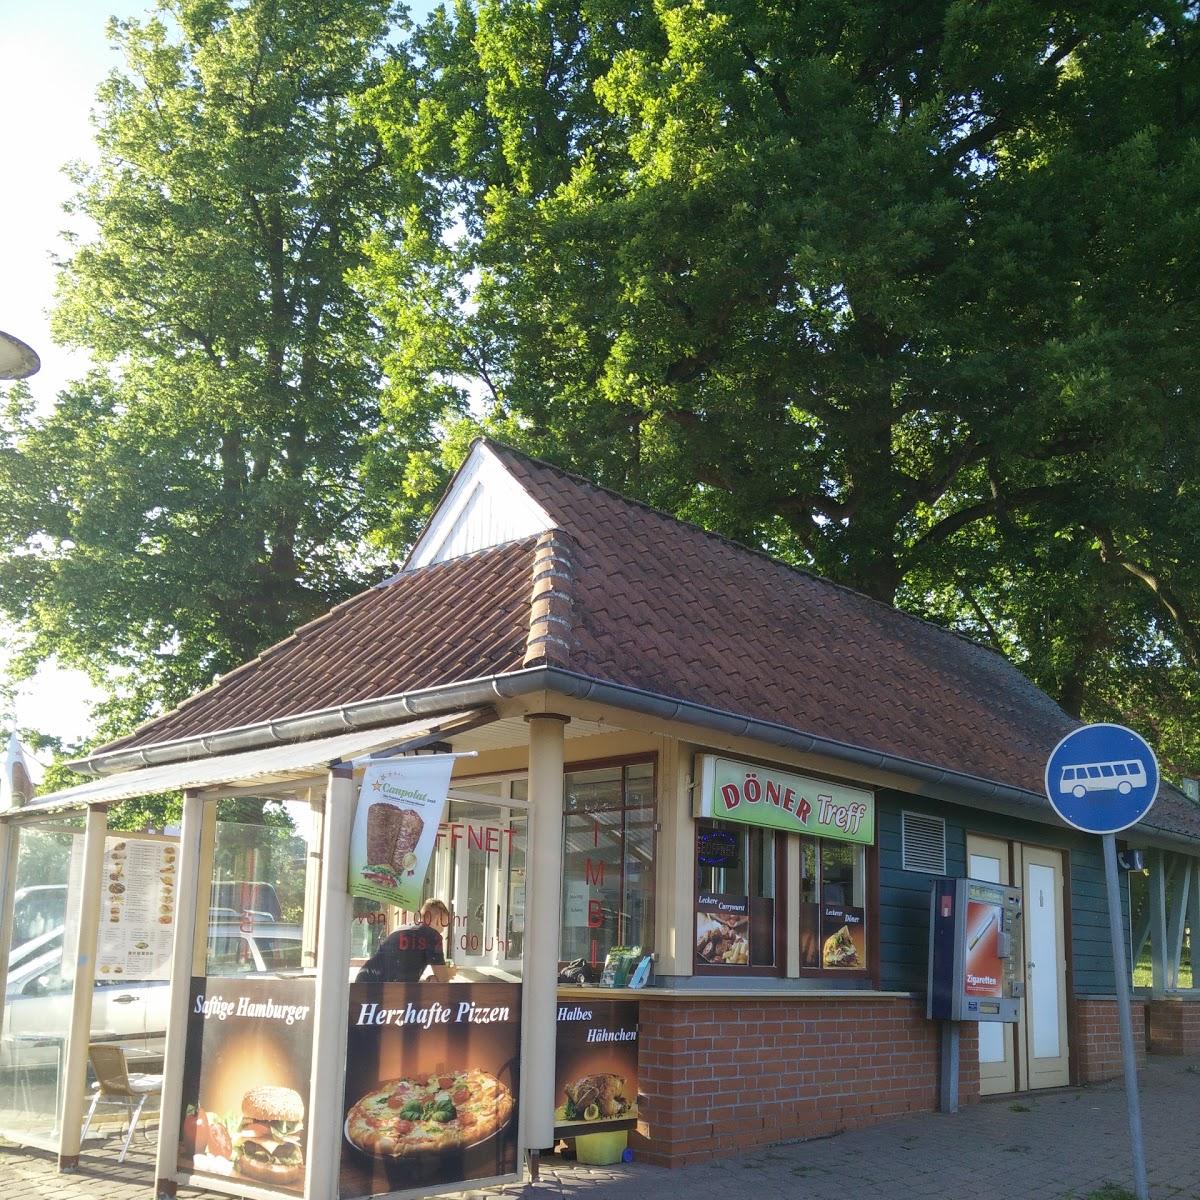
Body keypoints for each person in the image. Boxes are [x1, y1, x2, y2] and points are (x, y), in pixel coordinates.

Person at [355, 898, 454, 983]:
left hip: (365, 981)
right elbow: (443, 979)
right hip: (379, 988)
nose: (442, 931)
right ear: (437, 920)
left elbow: (398, 973)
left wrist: (426, 981)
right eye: (443, 925)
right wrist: (452, 972)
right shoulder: (432, 935)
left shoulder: (404, 928)